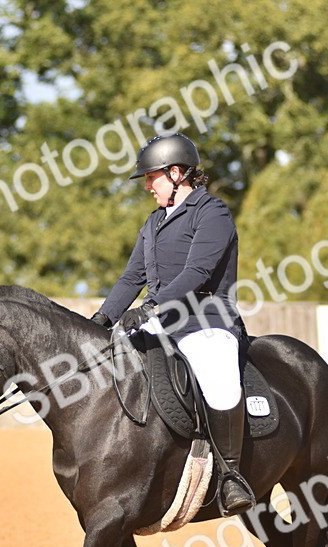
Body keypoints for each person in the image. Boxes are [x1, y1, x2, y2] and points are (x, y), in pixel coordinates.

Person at [90, 132, 254, 515]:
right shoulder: (152, 224)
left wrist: (152, 308)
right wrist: (101, 319)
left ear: (176, 173)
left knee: (217, 375)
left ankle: (231, 475)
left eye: (152, 177)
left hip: (206, 321)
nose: (147, 186)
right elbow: (132, 278)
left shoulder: (211, 212)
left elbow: (198, 270)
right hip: (160, 320)